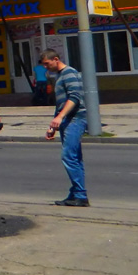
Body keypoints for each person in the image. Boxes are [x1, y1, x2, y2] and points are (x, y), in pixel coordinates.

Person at [41, 49, 88, 207]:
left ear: (55, 59)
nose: (47, 68)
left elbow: (74, 97)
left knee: (68, 157)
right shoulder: (60, 76)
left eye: (47, 64)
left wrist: (60, 117)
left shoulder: (69, 73)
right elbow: (60, 104)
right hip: (67, 120)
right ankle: (76, 194)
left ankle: (80, 195)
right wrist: (53, 125)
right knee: (75, 158)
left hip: (75, 119)